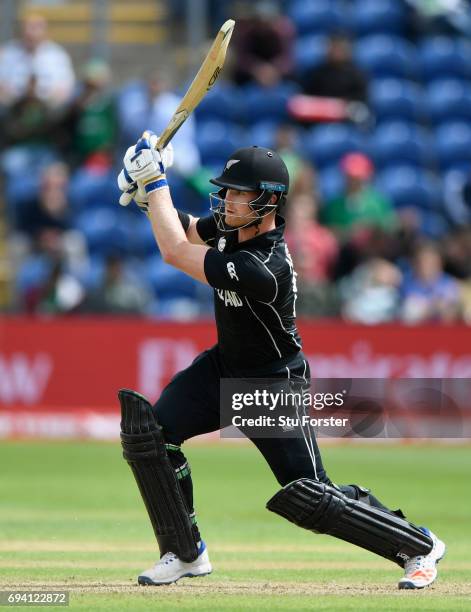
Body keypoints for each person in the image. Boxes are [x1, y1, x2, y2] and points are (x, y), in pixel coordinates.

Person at [115, 132, 445, 589]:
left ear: (268, 202)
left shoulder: (265, 266)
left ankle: (419, 544)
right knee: (152, 434)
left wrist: (154, 184)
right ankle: (185, 552)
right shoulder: (232, 227)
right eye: (225, 190)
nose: (226, 200)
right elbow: (186, 229)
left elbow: (174, 251)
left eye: (237, 193)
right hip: (223, 367)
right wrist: (146, 196)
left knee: (313, 498)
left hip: (271, 384)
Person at [0, 12, 75, 108]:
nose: (30, 32)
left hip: (48, 110)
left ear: (45, 31)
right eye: (27, 27)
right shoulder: (8, 52)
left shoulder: (57, 55)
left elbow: (65, 88)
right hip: (12, 109)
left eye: (35, 28)